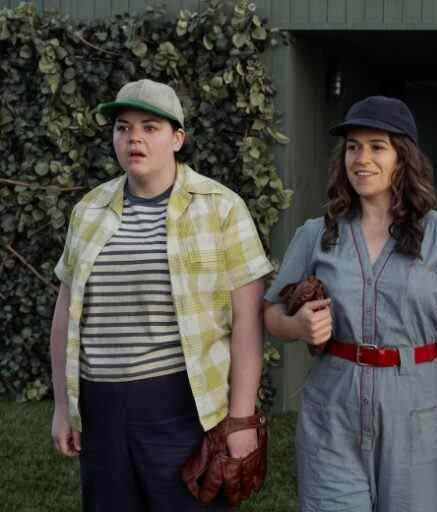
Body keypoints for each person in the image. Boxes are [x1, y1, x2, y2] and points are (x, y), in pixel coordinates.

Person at [49, 79, 272, 511]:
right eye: (122, 127)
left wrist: (241, 418)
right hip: (101, 407)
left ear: (177, 138)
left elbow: (248, 320)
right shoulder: (88, 211)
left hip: (182, 405)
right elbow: (65, 314)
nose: (133, 137)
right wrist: (63, 406)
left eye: (150, 127)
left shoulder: (222, 207)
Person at [264, 95, 437, 511]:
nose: (361, 159)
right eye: (352, 147)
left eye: (377, 147)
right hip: (333, 407)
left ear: (404, 157)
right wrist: (297, 327)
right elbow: (272, 311)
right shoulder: (316, 234)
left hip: (417, 408)